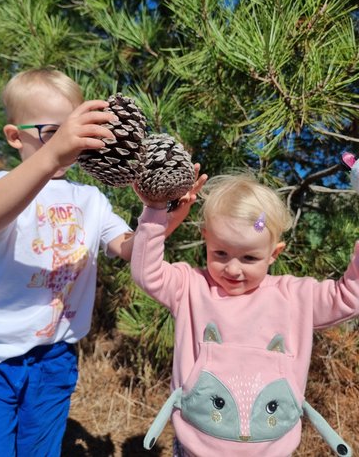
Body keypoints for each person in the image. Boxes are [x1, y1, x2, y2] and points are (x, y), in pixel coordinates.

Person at [0, 67, 201, 457]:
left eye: (77, 132)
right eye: (53, 133)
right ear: (14, 136)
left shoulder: (91, 200)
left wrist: (159, 213)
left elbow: (128, 247)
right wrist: (52, 155)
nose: (70, 145)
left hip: (55, 358)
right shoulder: (4, 184)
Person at [131, 172, 358, 457]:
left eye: (250, 258)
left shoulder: (295, 297)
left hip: (271, 450)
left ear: (274, 253)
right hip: (196, 447)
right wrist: (155, 212)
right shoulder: (190, 287)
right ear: (206, 240)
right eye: (221, 253)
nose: (234, 269)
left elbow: (348, 298)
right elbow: (145, 272)